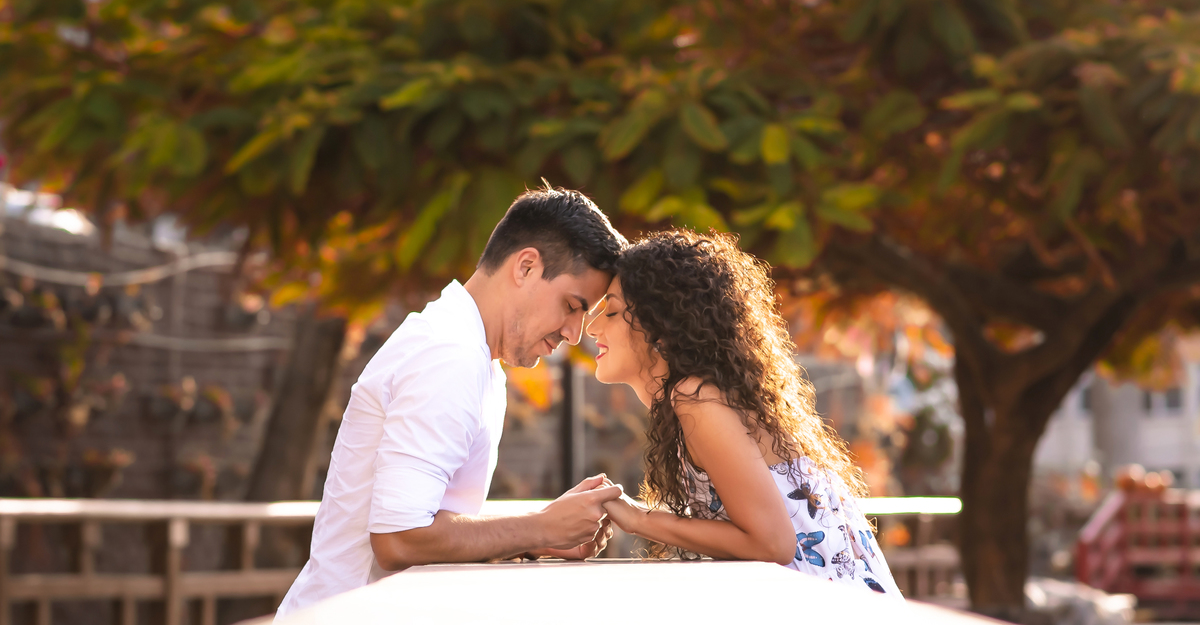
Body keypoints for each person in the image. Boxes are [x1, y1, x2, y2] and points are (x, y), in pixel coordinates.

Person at [277, 187, 627, 615]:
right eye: (571, 306)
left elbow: (431, 525)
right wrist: (538, 528)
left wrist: (541, 536)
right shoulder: (451, 355)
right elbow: (399, 538)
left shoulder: (471, 354)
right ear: (527, 266)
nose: (573, 334)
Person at [586, 229, 902, 596]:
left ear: (660, 326)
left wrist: (639, 518)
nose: (592, 327)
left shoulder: (696, 399)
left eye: (610, 311)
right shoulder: (704, 398)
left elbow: (772, 544)